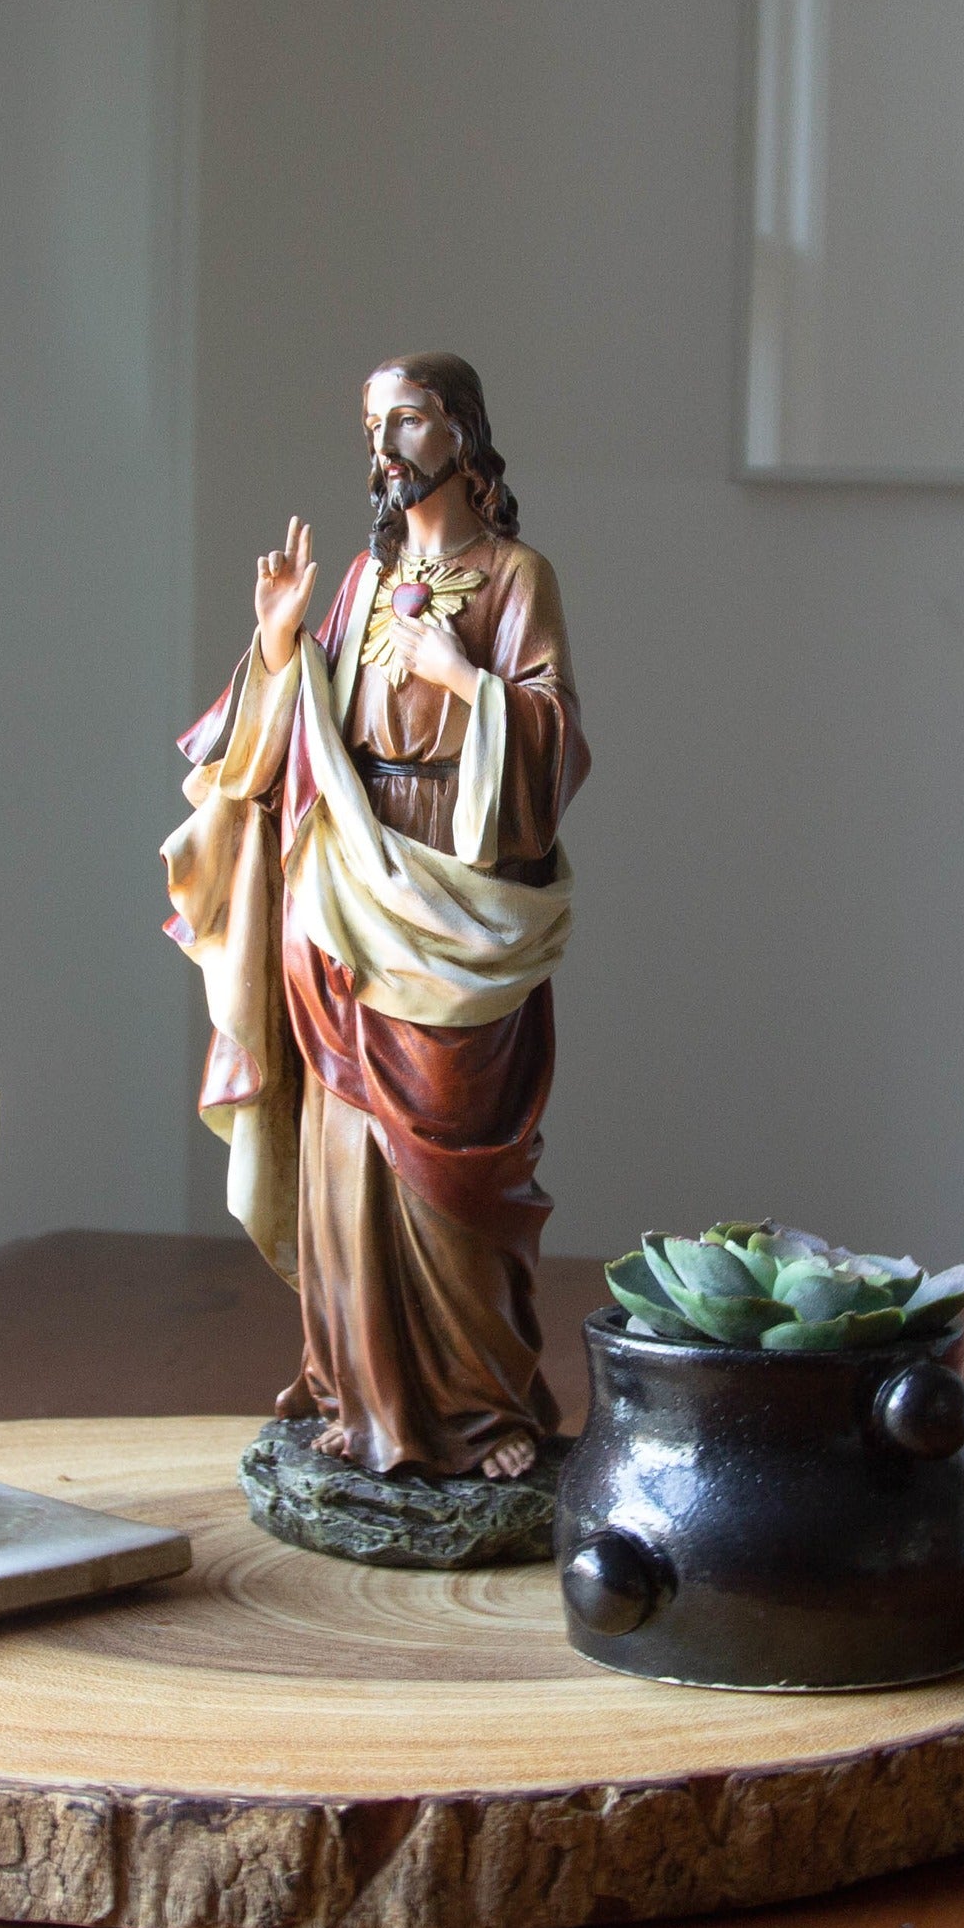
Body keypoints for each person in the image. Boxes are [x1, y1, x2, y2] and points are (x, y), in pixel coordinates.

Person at [161, 353, 588, 1481]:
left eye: (406, 420)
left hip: (457, 905)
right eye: (371, 424)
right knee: (346, 1141)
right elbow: (297, 740)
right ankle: (359, 1390)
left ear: (462, 433)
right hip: (348, 892)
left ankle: (482, 1406)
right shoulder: (358, 580)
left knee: (456, 1161)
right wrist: (278, 643)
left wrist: (461, 680)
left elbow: (556, 741)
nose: (384, 445)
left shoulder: (515, 578)